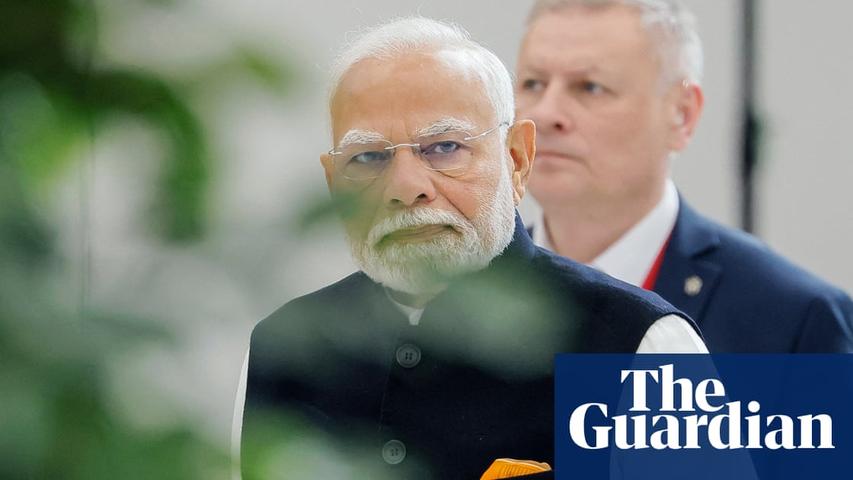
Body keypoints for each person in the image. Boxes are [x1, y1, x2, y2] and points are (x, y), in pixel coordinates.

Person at [235, 16, 706, 480]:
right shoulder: (282, 350)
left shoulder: (639, 345)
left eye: (443, 148)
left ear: (517, 159)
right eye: (369, 157)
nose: (405, 187)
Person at [515, 0, 853, 353]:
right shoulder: (466, 299)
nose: (545, 112)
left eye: (590, 87)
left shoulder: (794, 320)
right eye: (533, 83)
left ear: (681, 114)